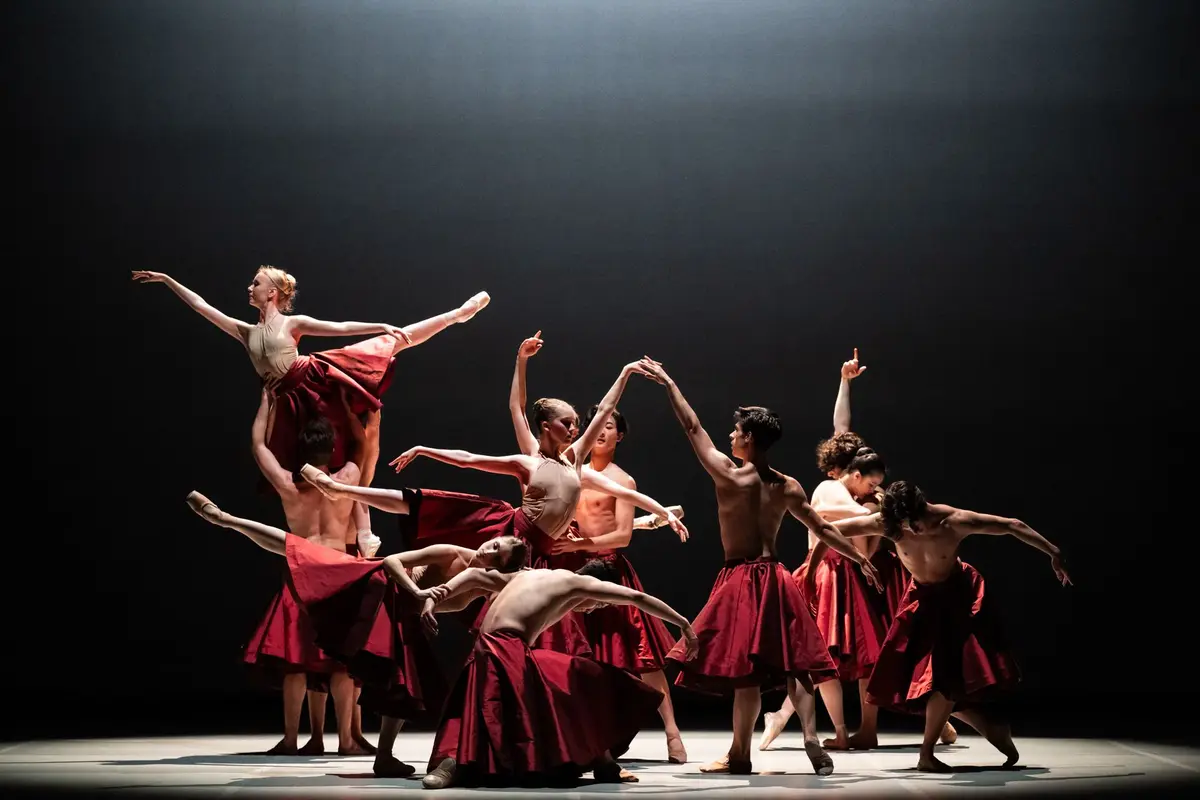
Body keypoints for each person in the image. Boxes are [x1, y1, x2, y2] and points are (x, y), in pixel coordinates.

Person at [298, 354, 688, 655]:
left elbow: (603, 411)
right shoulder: (528, 463)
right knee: (430, 507)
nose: (574, 430)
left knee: (493, 613)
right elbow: (469, 458)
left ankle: (403, 603)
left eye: (574, 424)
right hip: (509, 538)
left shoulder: (577, 460)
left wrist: (625, 373)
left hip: (538, 555)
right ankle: (343, 492)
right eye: (566, 424)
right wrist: (424, 450)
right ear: (545, 428)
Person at [635, 358, 881, 776]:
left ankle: (742, 754)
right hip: (777, 577)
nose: (730, 436)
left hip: (741, 578)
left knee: (746, 674)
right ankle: (805, 737)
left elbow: (693, 429)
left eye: (735, 431)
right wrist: (860, 558)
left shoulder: (731, 475)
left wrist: (669, 383)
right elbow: (821, 527)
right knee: (795, 665)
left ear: (748, 438)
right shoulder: (788, 485)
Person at [184, 490, 528, 778]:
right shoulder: (452, 553)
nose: (490, 549)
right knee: (304, 553)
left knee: (407, 685)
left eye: (497, 555)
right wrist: (419, 594)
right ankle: (224, 518)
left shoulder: (483, 587)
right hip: (376, 584)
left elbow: (523, 586)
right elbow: (393, 563)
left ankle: (384, 757)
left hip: (398, 615)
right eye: (495, 544)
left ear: (499, 569)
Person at [761, 349, 954, 751]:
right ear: (849, 471)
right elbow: (841, 433)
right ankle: (820, 724)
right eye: (865, 478)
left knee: (868, 654)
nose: (871, 484)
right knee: (828, 655)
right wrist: (844, 383)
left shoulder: (862, 492)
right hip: (837, 572)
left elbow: (844, 432)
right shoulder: (833, 489)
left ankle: (856, 726)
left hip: (864, 573)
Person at [510, 332, 690, 762]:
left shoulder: (604, 475)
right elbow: (516, 410)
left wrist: (659, 514)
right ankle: (571, 737)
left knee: (642, 656)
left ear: (618, 435)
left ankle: (670, 731)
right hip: (565, 568)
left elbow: (623, 531)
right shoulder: (563, 465)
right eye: (589, 427)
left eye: (605, 428)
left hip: (604, 566)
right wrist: (520, 362)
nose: (596, 431)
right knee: (566, 655)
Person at [132, 267, 488, 479]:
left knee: (392, 343)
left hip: (316, 378)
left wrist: (379, 324)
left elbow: (340, 326)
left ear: (271, 292)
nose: (249, 287)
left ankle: (457, 314)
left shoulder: (292, 323)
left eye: (255, 283)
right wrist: (167, 279)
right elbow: (201, 306)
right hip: (289, 402)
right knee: (308, 464)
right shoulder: (245, 331)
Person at [830, 481, 1072, 772]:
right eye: (903, 524)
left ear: (923, 509)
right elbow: (829, 529)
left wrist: (1053, 552)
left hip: (955, 598)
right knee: (920, 684)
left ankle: (927, 753)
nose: (910, 530)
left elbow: (1012, 525)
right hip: (921, 599)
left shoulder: (953, 521)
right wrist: (857, 557)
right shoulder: (889, 523)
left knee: (942, 677)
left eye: (914, 522)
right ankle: (992, 729)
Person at [418, 559, 700, 789]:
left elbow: (474, 575)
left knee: (565, 677)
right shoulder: (576, 583)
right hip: (505, 651)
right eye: (598, 605)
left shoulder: (526, 575)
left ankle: (602, 761)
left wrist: (435, 597)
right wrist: (684, 624)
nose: (591, 611)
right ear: (595, 591)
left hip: (485, 650)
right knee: (588, 676)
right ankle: (455, 763)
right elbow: (637, 598)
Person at [242, 388, 375, 755]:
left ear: (301, 452)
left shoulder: (288, 485)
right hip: (338, 574)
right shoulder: (347, 476)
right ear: (332, 449)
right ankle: (346, 740)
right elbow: (362, 446)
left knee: (295, 662)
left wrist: (267, 403)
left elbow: (258, 446)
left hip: (301, 574)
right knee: (340, 663)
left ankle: (290, 739)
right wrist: (348, 409)